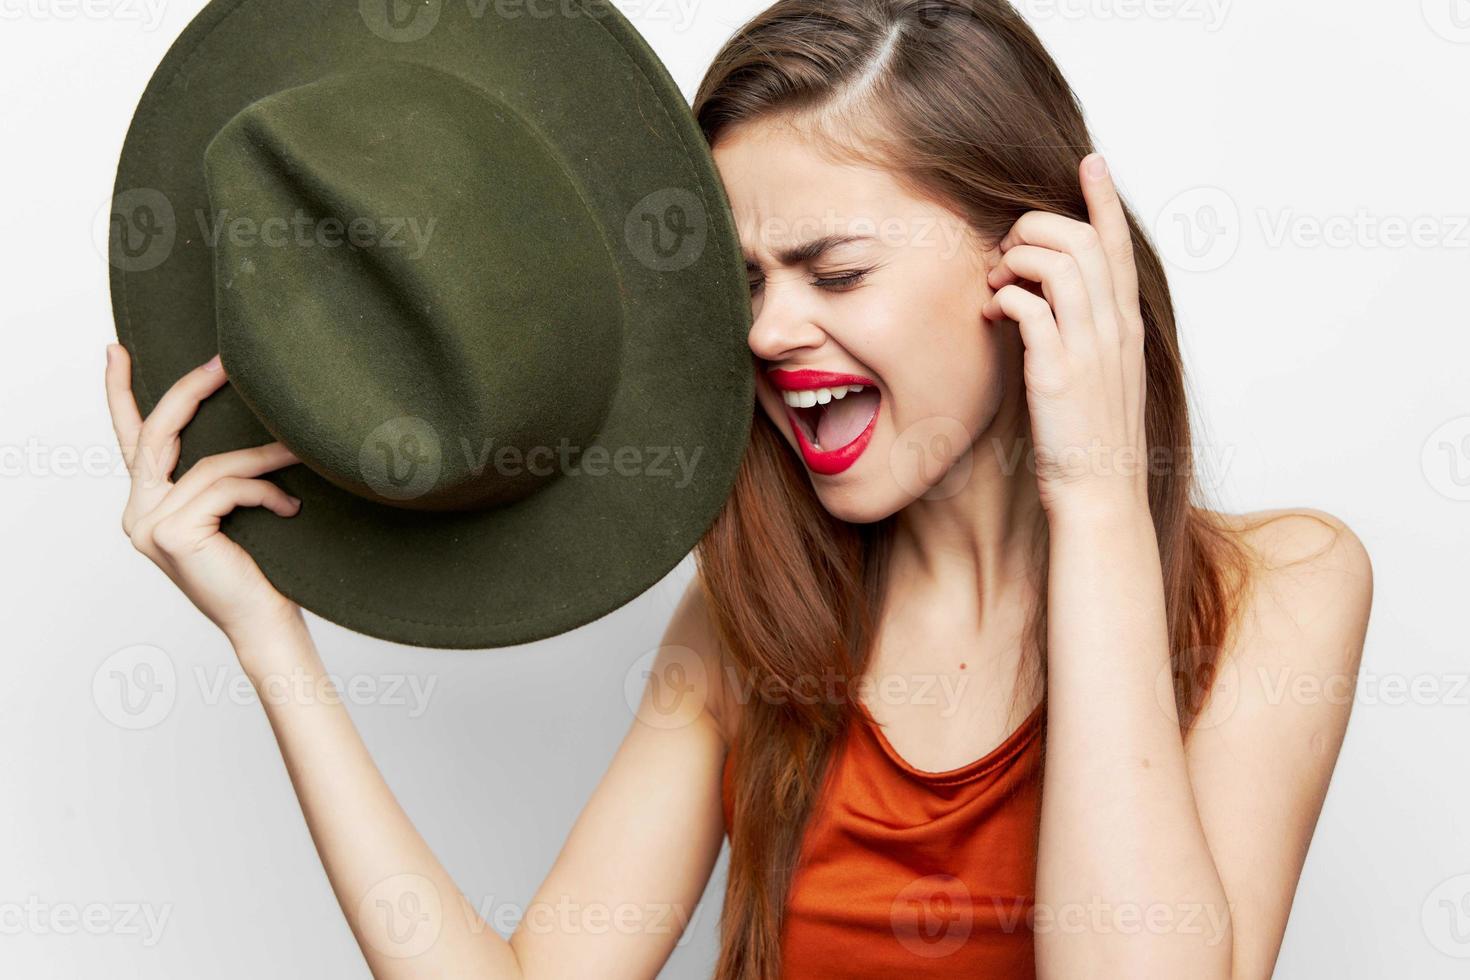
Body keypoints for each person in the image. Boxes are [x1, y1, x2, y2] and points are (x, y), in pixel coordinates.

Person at [103, 2, 1373, 977]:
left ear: (1036, 258)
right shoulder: (751, 620)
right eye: (749, 285)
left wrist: (1095, 493)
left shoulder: (1280, 591)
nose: (769, 334)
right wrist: (271, 635)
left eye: (834, 268)